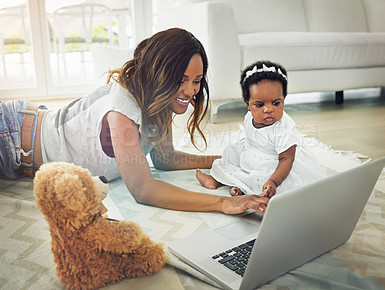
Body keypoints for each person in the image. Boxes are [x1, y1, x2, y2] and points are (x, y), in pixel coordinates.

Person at [0, 28, 269, 214]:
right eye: (181, 80)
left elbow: (166, 159)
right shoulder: (124, 106)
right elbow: (143, 188)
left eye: (197, 81)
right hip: (11, 134)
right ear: (159, 74)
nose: (191, 91)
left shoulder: (160, 103)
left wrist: (224, 159)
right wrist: (222, 204)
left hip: (23, 149)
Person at [196, 60, 324, 198]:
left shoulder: (284, 127)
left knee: (266, 182)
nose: (268, 109)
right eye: (259, 104)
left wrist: (273, 182)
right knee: (230, 159)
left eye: (276, 103)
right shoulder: (249, 117)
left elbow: (287, 159)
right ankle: (217, 180)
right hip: (252, 153)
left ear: (284, 99)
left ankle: (246, 187)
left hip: (278, 164)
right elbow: (252, 139)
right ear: (248, 104)